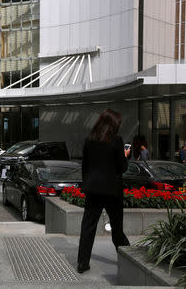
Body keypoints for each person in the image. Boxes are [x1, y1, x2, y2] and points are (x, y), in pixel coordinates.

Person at [77, 109, 130, 274]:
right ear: (113, 125)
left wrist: (87, 184)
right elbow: (122, 167)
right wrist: (125, 155)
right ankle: (128, 260)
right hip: (112, 191)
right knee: (117, 228)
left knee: (88, 227)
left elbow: (84, 167)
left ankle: (82, 264)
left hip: (93, 190)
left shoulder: (89, 141)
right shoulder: (117, 141)